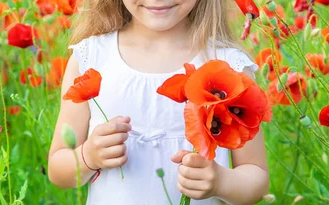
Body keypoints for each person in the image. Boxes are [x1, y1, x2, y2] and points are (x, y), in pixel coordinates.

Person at [47, 0, 269, 204]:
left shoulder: (228, 66)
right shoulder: (91, 57)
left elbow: (256, 178)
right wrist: (88, 156)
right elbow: (58, 169)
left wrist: (221, 182)